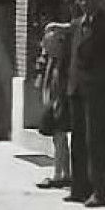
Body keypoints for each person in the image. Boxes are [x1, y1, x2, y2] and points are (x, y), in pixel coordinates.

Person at [65, 0, 105, 208]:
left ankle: (99, 189)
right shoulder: (77, 25)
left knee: (95, 140)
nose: (82, 3)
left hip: (98, 90)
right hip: (77, 88)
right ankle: (79, 187)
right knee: (77, 139)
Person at [34, 21, 72, 189]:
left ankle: (61, 174)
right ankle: (62, 173)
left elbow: (61, 84)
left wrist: (58, 101)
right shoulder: (50, 61)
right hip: (52, 101)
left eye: (50, 44)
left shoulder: (64, 62)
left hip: (61, 102)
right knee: (58, 139)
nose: (47, 47)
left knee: (60, 138)